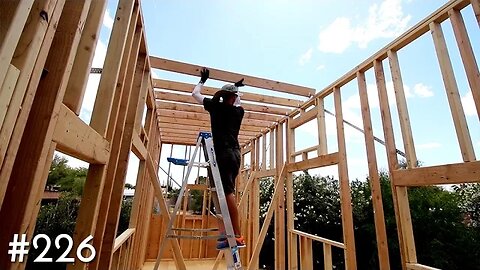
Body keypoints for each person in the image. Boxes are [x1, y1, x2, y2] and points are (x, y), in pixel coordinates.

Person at [191, 67, 246, 249]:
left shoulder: (215, 107)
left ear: (222, 96)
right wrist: (236, 88)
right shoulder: (239, 112)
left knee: (227, 193)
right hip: (236, 155)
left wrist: (203, 80)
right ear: (233, 97)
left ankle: (237, 235)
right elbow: (237, 100)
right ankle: (226, 234)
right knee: (224, 191)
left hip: (223, 155)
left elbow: (195, 94)